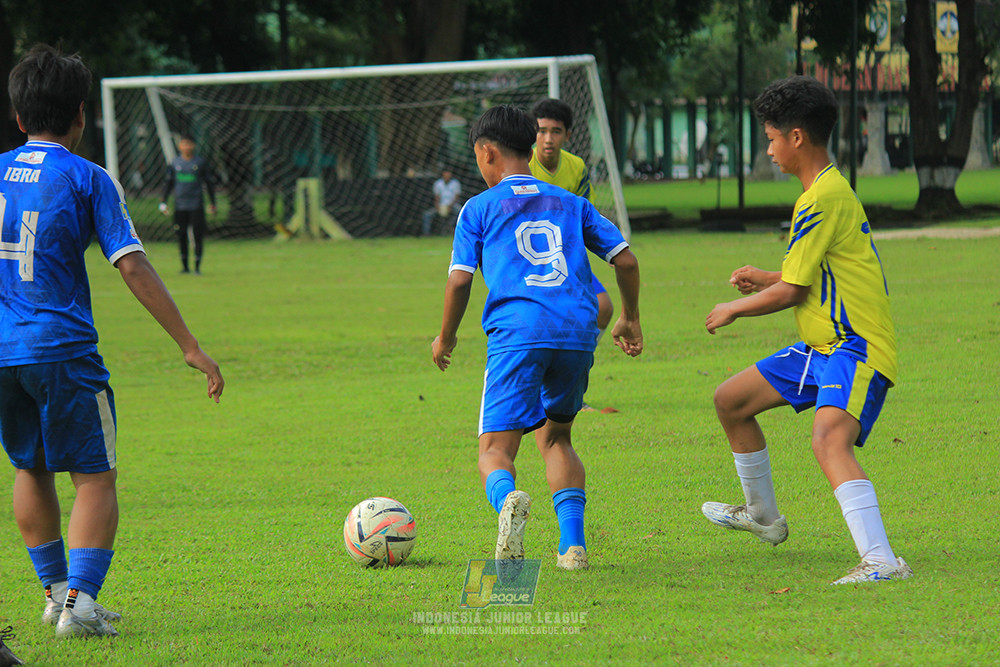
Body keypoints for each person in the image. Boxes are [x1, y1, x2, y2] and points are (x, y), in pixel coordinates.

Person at [1, 44, 225, 639]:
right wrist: (189, 344)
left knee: (30, 467)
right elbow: (131, 264)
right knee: (95, 477)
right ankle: (79, 607)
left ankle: (56, 597)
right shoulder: (87, 178)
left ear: (19, 117)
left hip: (3, 352)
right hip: (63, 350)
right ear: (81, 115)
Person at [701, 75, 911, 585]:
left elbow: (794, 292)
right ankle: (763, 517)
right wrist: (767, 277)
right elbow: (811, 273)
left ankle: (882, 560)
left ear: (797, 137)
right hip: (823, 346)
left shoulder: (821, 198)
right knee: (731, 400)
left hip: (855, 346)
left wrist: (733, 308)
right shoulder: (824, 192)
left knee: (829, 439)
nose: (769, 150)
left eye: (772, 138)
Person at [431, 105, 642, 571]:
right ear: (529, 150)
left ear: (486, 153)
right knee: (557, 438)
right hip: (577, 332)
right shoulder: (570, 202)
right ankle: (572, 548)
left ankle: (507, 500)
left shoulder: (479, 207)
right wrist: (630, 317)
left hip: (518, 333)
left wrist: (445, 338)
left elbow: (460, 280)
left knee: (495, 450)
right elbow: (625, 260)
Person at [529, 99, 613, 409]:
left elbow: (584, 214)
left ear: (568, 135)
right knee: (545, 323)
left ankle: (568, 384)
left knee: (603, 307)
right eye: (541, 131)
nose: (548, 138)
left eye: (555, 131)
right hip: (532, 262)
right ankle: (542, 394)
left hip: (566, 256)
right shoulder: (524, 166)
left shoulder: (576, 166)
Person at [159, 136, 217, 274]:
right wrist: (163, 201)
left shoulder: (200, 162)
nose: (186, 147)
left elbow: (209, 184)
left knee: (198, 236)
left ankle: (197, 267)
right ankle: (185, 267)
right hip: (180, 206)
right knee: (181, 235)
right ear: (180, 146)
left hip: (196, 205)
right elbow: (168, 184)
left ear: (194, 145)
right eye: (184, 144)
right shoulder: (174, 163)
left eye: (189, 144)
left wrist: (213, 203)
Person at [421, 168, 462, 236]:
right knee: (427, 215)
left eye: (448, 174)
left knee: (460, 212)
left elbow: (456, 197)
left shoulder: (455, 183)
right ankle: (426, 234)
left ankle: (450, 226)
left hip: (452, 205)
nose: (447, 176)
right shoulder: (438, 183)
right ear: (443, 174)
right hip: (441, 205)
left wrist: (450, 206)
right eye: (445, 174)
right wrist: (437, 206)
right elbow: (437, 197)